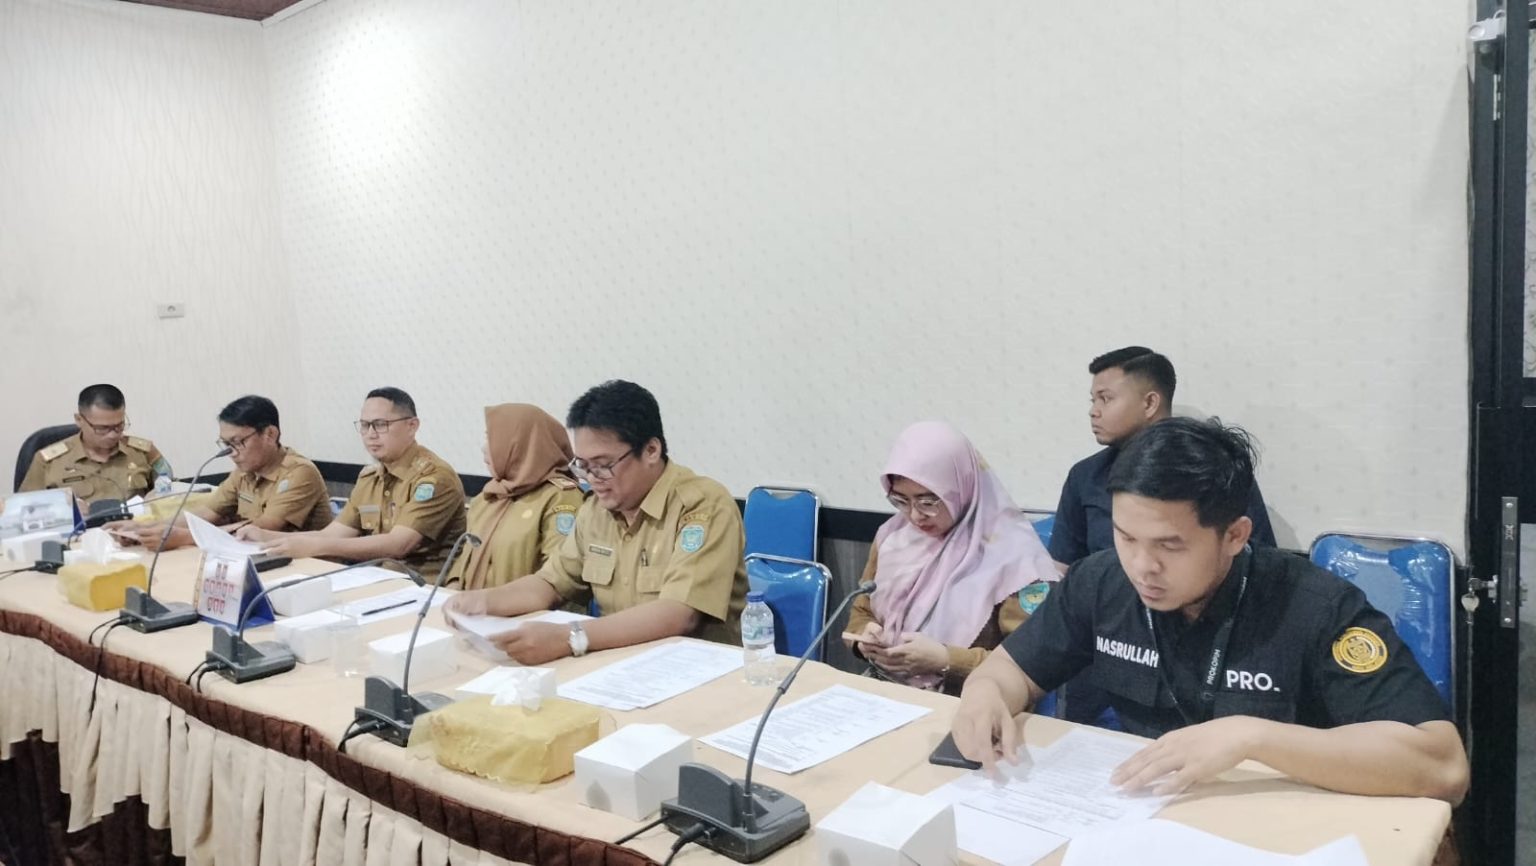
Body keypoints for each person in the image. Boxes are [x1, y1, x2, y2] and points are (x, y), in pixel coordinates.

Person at [950, 418, 1469, 804]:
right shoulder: (1101, 581)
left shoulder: (1316, 607)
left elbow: (1443, 765)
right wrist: (985, 694)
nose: (1142, 566)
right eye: (1126, 537)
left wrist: (1253, 737)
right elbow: (1011, 670)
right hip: (1138, 813)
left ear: (1235, 535)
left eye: (1169, 546)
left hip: (1279, 825)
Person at [443, 380, 748, 665]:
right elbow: (550, 583)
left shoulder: (702, 505)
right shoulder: (597, 509)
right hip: (619, 662)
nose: (592, 479)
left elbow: (679, 613)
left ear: (651, 450)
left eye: (602, 465)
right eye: (583, 466)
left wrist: (570, 637)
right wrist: (482, 601)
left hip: (698, 669)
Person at [1050, 346, 1276, 726]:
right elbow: (1062, 568)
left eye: (1105, 398)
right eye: (1126, 536)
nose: (1093, 411)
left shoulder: (1212, 474)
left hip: (1205, 643)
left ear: (1150, 402)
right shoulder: (1085, 476)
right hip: (1110, 642)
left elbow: (1257, 565)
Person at [844, 421, 1060, 695]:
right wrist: (865, 637)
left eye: (928, 502)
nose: (915, 515)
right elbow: (862, 610)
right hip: (887, 690)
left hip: (973, 701)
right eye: (901, 500)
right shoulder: (893, 537)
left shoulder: (1016, 561)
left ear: (962, 488)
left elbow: (1032, 661)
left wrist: (946, 659)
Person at [240, 387, 466, 574]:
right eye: (365, 425)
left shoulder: (433, 478)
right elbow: (332, 534)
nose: (371, 434)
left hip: (424, 588)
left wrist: (315, 546)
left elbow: (398, 545)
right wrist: (266, 537)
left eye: (381, 424)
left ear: (412, 426)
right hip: (375, 578)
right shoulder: (370, 478)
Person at [114, 396, 330, 550]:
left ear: (270, 434)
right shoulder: (244, 471)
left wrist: (185, 538)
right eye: (226, 444)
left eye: (238, 442)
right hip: (258, 558)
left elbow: (260, 529)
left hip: (310, 567)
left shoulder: (299, 472)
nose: (232, 453)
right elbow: (206, 514)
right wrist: (144, 529)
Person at [446, 403, 586, 589]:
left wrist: (486, 602)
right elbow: (464, 555)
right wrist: (451, 591)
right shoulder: (489, 496)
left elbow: (559, 580)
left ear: (523, 446)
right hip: (471, 604)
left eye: (493, 439)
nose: (484, 448)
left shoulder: (561, 498)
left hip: (521, 606)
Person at [18, 384, 171, 507]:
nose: (113, 435)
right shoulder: (48, 461)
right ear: (79, 420)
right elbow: (24, 511)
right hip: (79, 534)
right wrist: (64, 510)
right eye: (102, 428)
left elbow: (170, 493)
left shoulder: (143, 452)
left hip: (134, 531)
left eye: (119, 426)